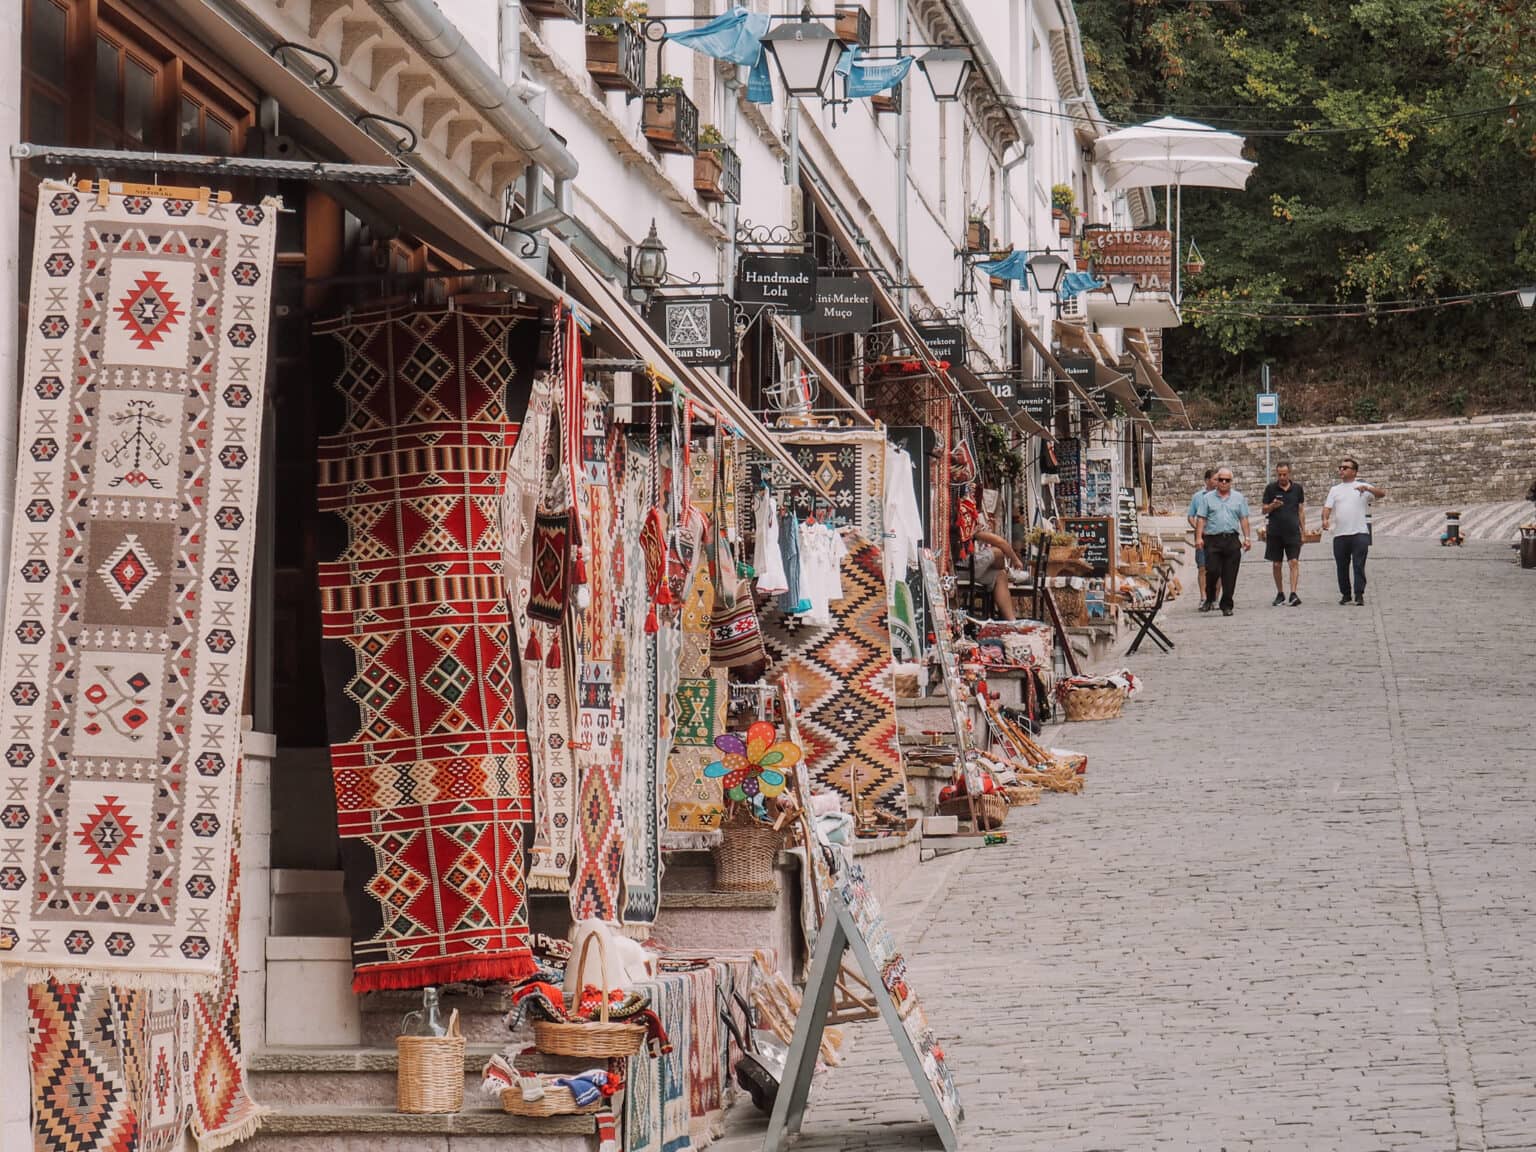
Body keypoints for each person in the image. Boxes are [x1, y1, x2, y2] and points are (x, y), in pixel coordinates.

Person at [1322, 457, 1387, 606]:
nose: (1341, 470)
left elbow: (1381, 494)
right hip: (1340, 534)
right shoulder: (1335, 489)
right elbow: (1327, 507)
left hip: (1359, 532)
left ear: (1354, 471)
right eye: (1340, 467)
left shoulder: (1362, 486)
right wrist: (1325, 519)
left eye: (1345, 468)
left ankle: (1359, 594)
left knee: (1358, 565)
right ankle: (1345, 594)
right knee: (1341, 566)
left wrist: (1368, 488)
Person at [1192, 467, 1252, 616]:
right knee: (1212, 571)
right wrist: (1199, 537)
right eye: (1221, 480)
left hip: (1231, 539)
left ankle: (1226, 605)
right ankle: (1210, 598)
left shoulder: (1238, 498)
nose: (1224, 482)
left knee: (1229, 575)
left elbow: (1243, 518)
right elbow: (1201, 518)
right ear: (1216, 481)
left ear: (1231, 482)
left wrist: (1247, 538)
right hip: (1213, 540)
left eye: (1227, 480)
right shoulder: (1207, 498)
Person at [1261, 462, 1306, 606]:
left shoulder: (1297, 489)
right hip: (1275, 532)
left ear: (1289, 473)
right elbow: (1263, 510)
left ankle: (1293, 593)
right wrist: (1272, 506)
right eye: (1279, 474)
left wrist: (1303, 531)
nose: (1282, 477)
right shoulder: (1270, 489)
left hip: (1292, 532)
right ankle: (1280, 593)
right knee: (1276, 564)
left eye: (1284, 474)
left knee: (1293, 562)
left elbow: (1300, 510)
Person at [971, 517, 1025, 620]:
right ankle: (1009, 572)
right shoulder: (966, 513)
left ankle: (1011, 621)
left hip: (973, 568)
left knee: (1000, 575)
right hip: (962, 567)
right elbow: (1000, 542)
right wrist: (1015, 560)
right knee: (998, 552)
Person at [1186, 468, 1216, 603]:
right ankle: (1203, 596)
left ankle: (1215, 596)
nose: (1218, 482)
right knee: (1202, 566)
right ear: (1207, 480)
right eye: (1215, 479)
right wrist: (1198, 528)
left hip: (1216, 535)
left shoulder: (1221, 496)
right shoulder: (1198, 497)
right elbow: (1191, 516)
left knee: (1217, 568)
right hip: (1202, 536)